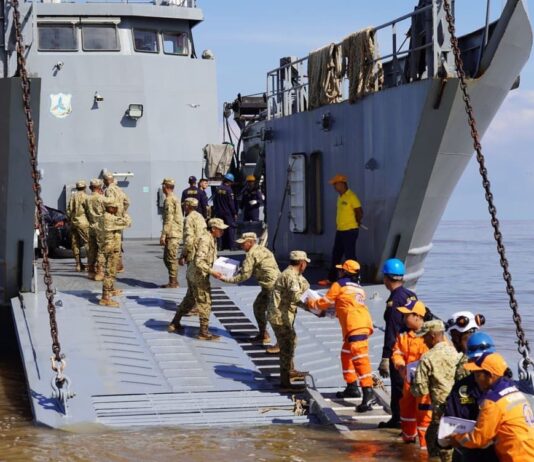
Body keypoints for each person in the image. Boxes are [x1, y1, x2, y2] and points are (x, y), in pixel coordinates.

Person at [307, 260, 375, 411]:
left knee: (360, 359)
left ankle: (368, 392)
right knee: (346, 354)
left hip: (355, 326)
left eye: (341, 270)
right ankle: (352, 386)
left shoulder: (339, 285)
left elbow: (324, 302)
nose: (338, 272)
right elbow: (344, 305)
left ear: (344, 272)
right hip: (361, 323)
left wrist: (310, 303)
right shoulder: (358, 288)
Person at [447, 352, 534, 462]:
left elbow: (478, 439)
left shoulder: (493, 401)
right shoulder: (514, 391)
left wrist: (456, 438)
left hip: (515, 457)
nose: (475, 380)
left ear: (490, 376)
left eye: (478, 375)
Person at [442, 332, 499, 462]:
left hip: (492, 451)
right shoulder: (461, 388)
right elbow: (450, 420)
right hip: (470, 451)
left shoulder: (503, 387)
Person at [167, 218, 225, 341]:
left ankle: (174, 323)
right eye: (220, 229)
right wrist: (213, 272)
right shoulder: (206, 239)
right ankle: (203, 332)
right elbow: (199, 261)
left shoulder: (210, 237)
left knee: (189, 299)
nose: (222, 232)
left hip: (193, 274)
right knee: (205, 302)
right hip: (199, 275)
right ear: (213, 229)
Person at [217, 232, 280, 345]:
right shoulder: (263, 249)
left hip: (273, 288)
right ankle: (263, 335)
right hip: (269, 287)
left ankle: (281, 344)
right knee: (258, 307)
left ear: (251, 242)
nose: (241, 246)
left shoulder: (251, 255)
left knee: (274, 316)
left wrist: (224, 278)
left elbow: (244, 276)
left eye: (243, 244)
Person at [411, 320, 461, 461]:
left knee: (434, 440)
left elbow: (420, 390)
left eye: (424, 337)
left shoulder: (427, 357)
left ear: (432, 336)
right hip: (459, 407)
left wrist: (411, 381)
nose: (423, 340)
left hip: (441, 410)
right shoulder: (456, 352)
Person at [378, 258, 417, 429]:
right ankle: (410, 418)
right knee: (410, 385)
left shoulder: (394, 301)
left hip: (399, 349)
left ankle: (398, 419)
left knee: (398, 385)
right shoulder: (410, 295)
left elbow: (392, 330)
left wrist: (386, 357)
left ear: (386, 278)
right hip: (414, 347)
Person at [267, 250, 311, 392]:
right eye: (305, 263)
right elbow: (296, 297)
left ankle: (290, 370)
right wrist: (314, 307)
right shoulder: (290, 276)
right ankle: (285, 383)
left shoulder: (294, 274)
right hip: (280, 317)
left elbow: (305, 286)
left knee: (292, 340)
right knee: (286, 347)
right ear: (301, 263)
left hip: (284, 316)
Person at [391, 299, 431, 450]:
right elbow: (397, 352)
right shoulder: (403, 336)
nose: (403, 318)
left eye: (406, 315)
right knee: (406, 410)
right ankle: (408, 440)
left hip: (425, 386)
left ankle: (425, 448)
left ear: (417, 316)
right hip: (409, 382)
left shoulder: (430, 335)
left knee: (424, 416)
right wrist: (399, 364)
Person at [319, 174, 363, 284]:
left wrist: (357, 222)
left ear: (342, 184)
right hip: (341, 230)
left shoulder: (351, 196)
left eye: (335, 185)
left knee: (350, 256)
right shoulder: (340, 197)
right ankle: (332, 278)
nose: (335, 187)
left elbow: (359, 211)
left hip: (350, 230)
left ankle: (355, 278)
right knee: (336, 254)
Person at [97, 198, 132, 307]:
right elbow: (128, 223)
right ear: (111, 208)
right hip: (112, 248)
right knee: (110, 272)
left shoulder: (103, 217)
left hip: (108, 247)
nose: (117, 209)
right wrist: (125, 213)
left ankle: (110, 290)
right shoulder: (111, 219)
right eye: (115, 207)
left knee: (111, 270)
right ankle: (105, 297)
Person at [445, 311, 485, 381]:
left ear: (455, 335)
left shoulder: (464, 362)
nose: (452, 339)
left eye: (452, 335)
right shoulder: (485, 352)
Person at [103, 172, 130, 273]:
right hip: (120, 219)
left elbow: (110, 203)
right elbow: (127, 202)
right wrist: (122, 212)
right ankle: (119, 264)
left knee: (111, 243)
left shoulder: (108, 190)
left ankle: (116, 265)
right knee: (118, 241)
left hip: (112, 220)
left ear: (105, 180)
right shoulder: (119, 189)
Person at [159, 178, 183, 288]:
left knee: (171, 258)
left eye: (163, 186)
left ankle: (173, 282)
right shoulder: (174, 198)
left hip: (173, 233)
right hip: (174, 231)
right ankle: (173, 280)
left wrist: (164, 234)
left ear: (165, 187)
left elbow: (168, 218)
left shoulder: (169, 200)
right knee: (167, 258)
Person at [83, 178, 105, 280]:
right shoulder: (102, 198)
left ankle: (91, 271)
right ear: (100, 187)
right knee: (101, 249)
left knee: (92, 249)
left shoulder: (86, 199)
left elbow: (85, 213)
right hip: (100, 227)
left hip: (91, 226)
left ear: (90, 187)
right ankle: (100, 272)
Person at [66, 180, 90, 272]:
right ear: (85, 187)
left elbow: (68, 210)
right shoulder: (87, 197)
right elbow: (89, 211)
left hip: (73, 222)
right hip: (83, 222)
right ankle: (90, 264)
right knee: (87, 243)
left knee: (75, 243)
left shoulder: (72, 196)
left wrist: (71, 219)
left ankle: (78, 265)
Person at [213, 173, 237, 250]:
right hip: (228, 213)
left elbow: (215, 202)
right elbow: (231, 203)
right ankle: (232, 246)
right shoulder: (229, 190)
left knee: (220, 228)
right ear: (229, 181)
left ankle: (220, 246)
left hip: (219, 213)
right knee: (230, 228)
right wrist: (234, 213)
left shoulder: (217, 189)